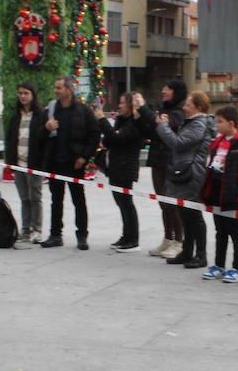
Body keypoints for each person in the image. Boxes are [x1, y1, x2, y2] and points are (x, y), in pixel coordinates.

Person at [153, 89, 216, 269]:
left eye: (188, 104)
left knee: (194, 215)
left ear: (199, 107)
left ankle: (201, 255)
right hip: (184, 171)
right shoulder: (191, 122)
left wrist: (163, 126)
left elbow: (178, 143)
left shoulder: (198, 124)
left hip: (192, 173)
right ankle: (187, 252)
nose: (184, 107)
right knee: (185, 214)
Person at [38, 76, 96, 250]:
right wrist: (46, 128)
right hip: (55, 162)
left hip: (74, 163)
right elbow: (39, 136)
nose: (55, 91)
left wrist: (84, 157)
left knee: (79, 200)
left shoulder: (83, 110)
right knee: (56, 200)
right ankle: (55, 235)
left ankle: (82, 236)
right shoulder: (51, 110)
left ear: (69, 90)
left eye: (59, 88)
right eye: (55, 87)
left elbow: (94, 136)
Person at [199, 105, 238, 282]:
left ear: (231, 123)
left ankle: (237, 267)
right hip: (217, 192)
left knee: (236, 231)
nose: (217, 125)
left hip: (233, 194)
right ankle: (219, 265)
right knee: (220, 230)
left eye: (220, 122)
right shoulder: (218, 141)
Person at [147, 80, 188, 259]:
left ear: (176, 92)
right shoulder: (163, 109)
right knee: (163, 202)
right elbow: (152, 130)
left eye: (167, 88)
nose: (163, 91)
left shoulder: (179, 112)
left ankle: (179, 241)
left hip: (171, 162)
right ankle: (168, 238)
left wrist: (144, 110)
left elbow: (170, 132)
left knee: (172, 203)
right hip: (157, 159)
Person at [96, 92, 142, 252]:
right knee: (120, 202)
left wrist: (102, 120)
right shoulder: (120, 121)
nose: (119, 106)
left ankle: (133, 239)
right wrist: (111, 133)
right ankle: (126, 235)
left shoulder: (134, 123)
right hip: (115, 167)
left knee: (126, 203)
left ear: (130, 105)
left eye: (123, 103)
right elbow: (109, 140)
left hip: (125, 168)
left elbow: (118, 139)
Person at [4, 83, 45, 243]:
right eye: (20, 93)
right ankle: (26, 229)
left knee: (35, 197)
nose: (22, 96)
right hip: (18, 164)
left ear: (32, 95)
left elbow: (44, 139)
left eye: (26, 93)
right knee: (24, 198)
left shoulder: (40, 116)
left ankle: (37, 229)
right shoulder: (16, 117)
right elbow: (9, 140)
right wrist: (10, 161)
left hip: (34, 164)